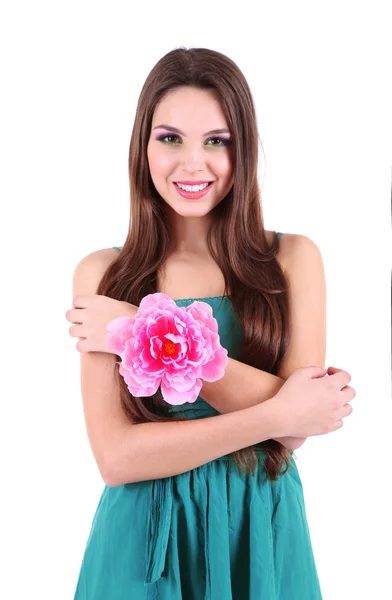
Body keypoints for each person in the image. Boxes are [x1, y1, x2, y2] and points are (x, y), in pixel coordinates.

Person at [66, 47, 355, 599]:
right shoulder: (103, 274)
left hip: (260, 532)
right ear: (142, 146)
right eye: (170, 138)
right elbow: (117, 459)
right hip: (145, 538)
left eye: (216, 141)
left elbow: (297, 428)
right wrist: (273, 412)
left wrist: (143, 331)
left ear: (241, 149)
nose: (192, 163)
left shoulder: (293, 259)